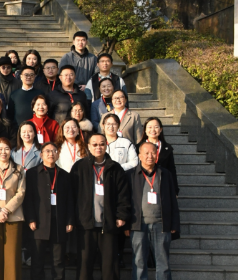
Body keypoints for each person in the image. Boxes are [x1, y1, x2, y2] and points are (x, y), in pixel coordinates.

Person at [69, 134, 131, 280]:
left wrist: (121, 215)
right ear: (89, 147)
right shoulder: (79, 167)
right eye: (95, 144)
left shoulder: (115, 168)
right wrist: (72, 218)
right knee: (84, 265)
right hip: (85, 224)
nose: (98, 147)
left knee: (110, 266)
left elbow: (123, 194)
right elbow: (71, 195)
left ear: (106, 145)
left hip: (109, 223)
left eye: (102, 144)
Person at [128, 142, 181, 280]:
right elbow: (125, 201)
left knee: (163, 261)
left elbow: (172, 200)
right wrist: (127, 224)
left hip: (161, 224)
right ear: (139, 155)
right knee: (139, 261)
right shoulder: (131, 174)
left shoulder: (165, 174)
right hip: (138, 224)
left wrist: (174, 223)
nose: (150, 156)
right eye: (146, 153)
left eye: (153, 153)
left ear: (157, 155)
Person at [23, 142, 75, 280]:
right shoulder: (32, 174)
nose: (51, 154)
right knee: (37, 261)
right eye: (47, 151)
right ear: (41, 155)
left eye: (54, 151)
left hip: (59, 222)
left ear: (58, 154)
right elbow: (28, 199)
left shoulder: (64, 175)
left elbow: (70, 199)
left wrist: (70, 220)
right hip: (39, 223)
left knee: (58, 262)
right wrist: (31, 218)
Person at [0, 138, 26, 280]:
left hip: (14, 216)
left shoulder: (19, 169)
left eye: (6, 149)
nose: (3, 152)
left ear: (11, 151)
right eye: (0, 149)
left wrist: (6, 210)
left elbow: (21, 193)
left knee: (12, 256)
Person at [140, 118, 179, 196]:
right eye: (150, 127)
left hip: (162, 183)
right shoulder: (138, 147)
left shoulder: (167, 148)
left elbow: (171, 169)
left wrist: (175, 190)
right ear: (145, 130)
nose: (153, 130)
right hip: (143, 182)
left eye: (156, 127)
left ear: (161, 129)